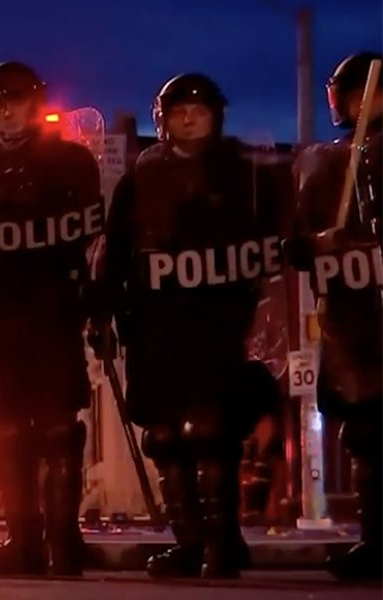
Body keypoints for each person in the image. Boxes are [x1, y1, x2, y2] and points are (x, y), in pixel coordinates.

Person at [90, 73, 282, 579]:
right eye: (179, 112)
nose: (190, 119)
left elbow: (279, 237)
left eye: (199, 110)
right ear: (163, 120)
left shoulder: (242, 174)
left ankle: (221, 542)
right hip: (156, 327)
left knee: (211, 431)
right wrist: (102, 313)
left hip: (219, 326)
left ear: (217, 117)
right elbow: (115, 254)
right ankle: (190, 541)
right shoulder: (140, 179)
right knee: (165, 435)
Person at [0, 61, 102, 577]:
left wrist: (96, 302)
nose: (7, 115)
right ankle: (22, 538)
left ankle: (63, 538)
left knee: (56, 428)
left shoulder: (71, 164)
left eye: (16, 104)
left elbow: (93, 243)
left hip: (51, 312)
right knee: (5, 432)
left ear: (34, 107)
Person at [286, 51, 382, 581]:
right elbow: (292, 243)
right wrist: (319, 245)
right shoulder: (324, 165)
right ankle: (376, 539)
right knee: (367, 435)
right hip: (355, 326)